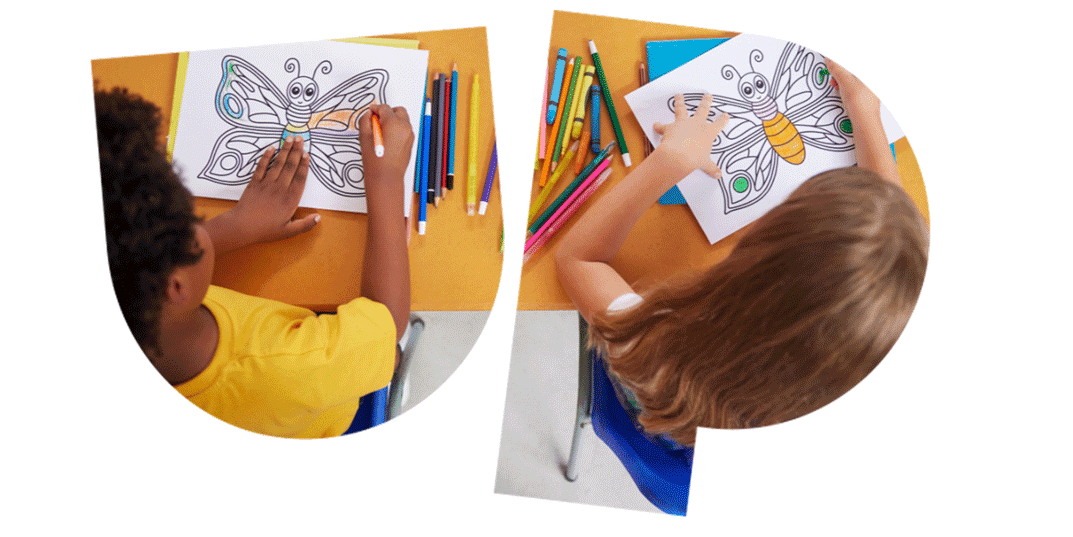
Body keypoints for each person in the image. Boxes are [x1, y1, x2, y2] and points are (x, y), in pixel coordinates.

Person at [555, 58, 929, 447]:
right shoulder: (882, 336)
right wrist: (864, 109)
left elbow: (578, 259)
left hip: (646, 420)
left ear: (754, 259)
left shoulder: (665, 361)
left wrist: (668, 163)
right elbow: (890, 252)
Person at [97, 87, 413, 438]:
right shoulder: (289, 367)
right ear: (175, 286)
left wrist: (235, 227)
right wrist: (386, 183)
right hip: (325, 400)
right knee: (387, 352)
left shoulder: (139, 309)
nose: (200, 226)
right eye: (189, 225)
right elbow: (388, 322)